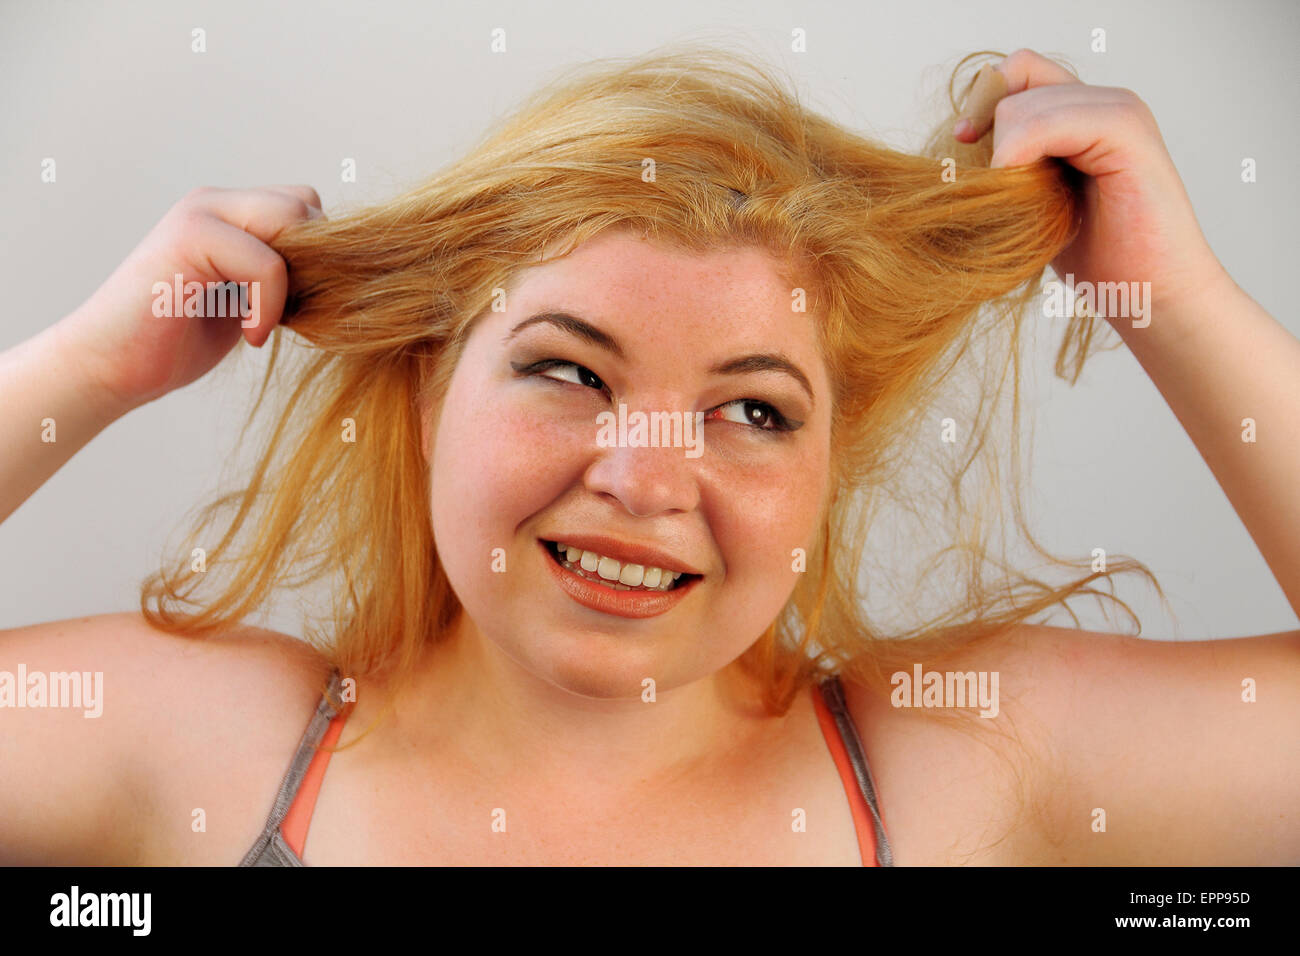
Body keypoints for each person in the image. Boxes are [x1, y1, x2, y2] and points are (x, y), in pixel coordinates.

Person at [1, 46, 1296, 866]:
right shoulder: (196, 745)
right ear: (425, 391)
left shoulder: (968, 765)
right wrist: (87, 366)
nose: (646, 480)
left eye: (754, 412)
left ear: (832, 464)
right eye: (568, 373)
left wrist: (1168, 294)